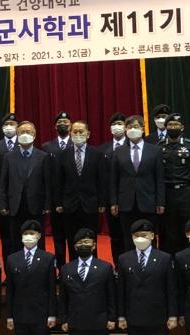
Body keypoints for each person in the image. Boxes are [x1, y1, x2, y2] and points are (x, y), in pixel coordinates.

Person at [116, 219, 177, 335]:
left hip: (158, 317)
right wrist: (121, 316)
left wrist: (173, 315)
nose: (140, 239)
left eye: (143, 235)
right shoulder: (124, 259)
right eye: (136, 236)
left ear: (152, 236)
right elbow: (121, 290)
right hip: (134, 318)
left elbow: (171, 288)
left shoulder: (164, 258)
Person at [54, 120, 108, 260]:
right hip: (69, 204)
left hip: (90, 204)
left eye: (81, 132)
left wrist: (102, 202)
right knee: (72, 238)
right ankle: (73, 266)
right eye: (75, 132)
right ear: (70, 133)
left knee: (90, 238)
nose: (78, 134)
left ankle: (92, 266)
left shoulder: (97, 154)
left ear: (88, 134)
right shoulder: (62, 155)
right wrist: (58, 203)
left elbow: (102, 180)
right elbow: (59, 181)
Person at [111, 115, 165, 251]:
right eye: (129, 127)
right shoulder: (118, 151)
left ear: (142, 129)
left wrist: (160, 202)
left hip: (148, 201)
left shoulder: (155, 150)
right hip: (126, 202)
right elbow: (114, 179)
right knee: (128, 237)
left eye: (136, 127)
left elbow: (159, 178)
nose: (132, 130)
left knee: (149, 236)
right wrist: (114, 202)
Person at [0, 120, 51, 253]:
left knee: (38, 240)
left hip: (36, 206)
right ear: (17, 135)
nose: (25, 134)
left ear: (34, 135)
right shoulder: (8, 157)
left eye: (28, 132)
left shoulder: (43, 156)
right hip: (15, 206)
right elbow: (3, 182)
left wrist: (47, 205)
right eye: (22, 132)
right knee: (15, 241)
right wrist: (3, 204)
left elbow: (47, 183)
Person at [58, 228, 117, 335]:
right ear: (75, 247)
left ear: (94, 245)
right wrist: (63, 319)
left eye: (86, 242)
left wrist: (112, 318)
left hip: (99, 322)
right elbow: (63, 297)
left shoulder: (105, 267)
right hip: (75, 322)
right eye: (80, 243)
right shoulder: (66, 269)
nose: (83, 245)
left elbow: (111, 295)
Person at [4, 220, 57, 335]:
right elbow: (10, 290)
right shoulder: (12, 259)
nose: (28, 236)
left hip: (41, 314)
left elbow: (51, 288)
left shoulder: (48, 258)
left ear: (39, 236)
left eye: (32, 233)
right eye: (25, 233)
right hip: (20, 315)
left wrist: (52, 314)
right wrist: (9, 316)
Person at [159, 114, 190, 255]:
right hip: (167, 193)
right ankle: (170, 261)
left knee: (188, 227)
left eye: (176, 125)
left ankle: (188, 258)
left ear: (182, 127)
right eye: (170, 125)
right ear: (165, 127)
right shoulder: (159, 146)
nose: (173, 127)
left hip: (186, 192)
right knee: (168, 230)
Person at [44, 111, 74, 266]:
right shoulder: (46, 147)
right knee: (58, 237)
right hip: (55, 199)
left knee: (74, 236)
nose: (63, 124)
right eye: (60, 122)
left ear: (71, 125)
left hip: (74, 198)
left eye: (66, 122)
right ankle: (61, 268)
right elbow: (45, 177)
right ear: (55, 126)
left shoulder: (77, 144)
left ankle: (74, 267)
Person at [99, 112, 128, 267]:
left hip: (130, 198)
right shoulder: (102, 150)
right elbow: (101, 178)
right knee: (116, 236)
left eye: (120, 124)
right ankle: (118, 267)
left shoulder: (133, 146)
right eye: (114, 124)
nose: (117, 127)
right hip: (111, 200)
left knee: (131, 235)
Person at [0, 112, 20, 261]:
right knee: (6, 237)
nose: (9, 127)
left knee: (21, 234)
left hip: (21, 196)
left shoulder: (24, 143)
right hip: (3, 197)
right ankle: (9, 270)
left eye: (12, 124)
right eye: (6, 124)